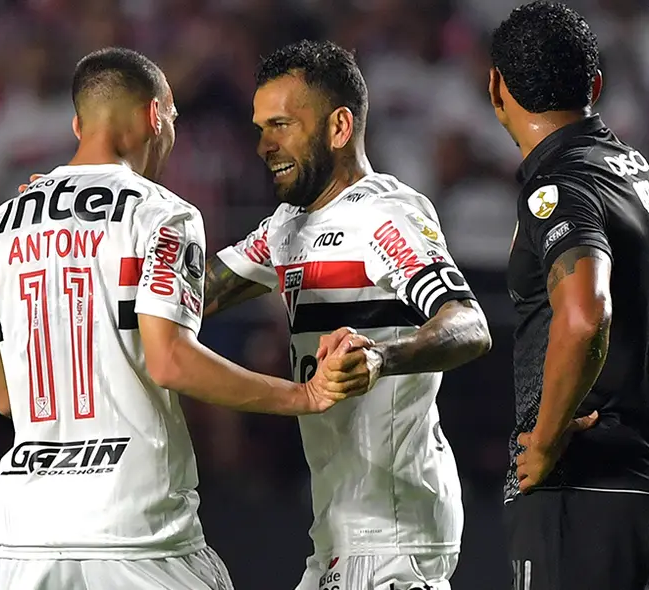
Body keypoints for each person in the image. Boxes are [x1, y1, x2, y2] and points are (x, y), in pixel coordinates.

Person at [0, 47, 370, 590]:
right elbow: (170, 359)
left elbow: (5, 395)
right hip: (136, 529)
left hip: (26, 537)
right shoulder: (161, 213)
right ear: (155, 116)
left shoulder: (0, 226)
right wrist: (303, 396)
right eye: (174, 119)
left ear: (77, 124)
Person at [202, 40, 493, 590]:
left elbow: (469, 324)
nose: (264, 144)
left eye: (282, 125)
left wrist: (383, 357)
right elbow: (188, 296)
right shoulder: (286, 227)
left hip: (392, 533)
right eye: (261, 127)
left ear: (339, 127)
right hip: (338, 533)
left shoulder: (385, 216)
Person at [487, 3, 649, 589]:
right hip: (642, 477)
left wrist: (542, 444)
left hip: (580, 478)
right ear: (595, 85)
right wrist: (639, 407)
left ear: (496, 88)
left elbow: (585, 317)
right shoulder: (633, 172)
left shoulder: (559, 185)